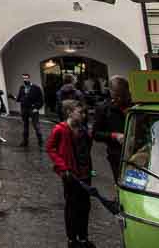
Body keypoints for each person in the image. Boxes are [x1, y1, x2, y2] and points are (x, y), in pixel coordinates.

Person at [47, 99, 94, 248]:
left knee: (85, 206)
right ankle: (72, 239)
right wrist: (62, 167)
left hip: (85, 173)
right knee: (72, 207)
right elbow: (50, 148)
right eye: (80, 112)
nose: (84, 115)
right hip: (70, 175)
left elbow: (87, 148)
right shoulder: (60, 129)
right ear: (69, 112)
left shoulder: (82, 129)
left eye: (84, 112)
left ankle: (83, 237)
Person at [92, 75, 131, 182]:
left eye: (123, 95)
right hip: (117, 154)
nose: (120, 99)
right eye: (117, 96)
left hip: (138, 151)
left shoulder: (135, 104)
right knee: (121, 182)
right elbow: (96, 134)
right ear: (110, 92)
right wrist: (114, 136)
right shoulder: (103, 109)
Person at [11, 73, 44, 147]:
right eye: (23, 78)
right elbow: (19, 99)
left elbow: (41, 100)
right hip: (24, 109)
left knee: (36, 125)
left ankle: (40, 141)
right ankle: (25, 141)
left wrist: (36, 108)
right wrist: (13, 97)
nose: (25, 79)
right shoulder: (22, 87)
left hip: (33, 109)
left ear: (29, 78)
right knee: (25, 126)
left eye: (26, 78)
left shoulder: (36, 88)